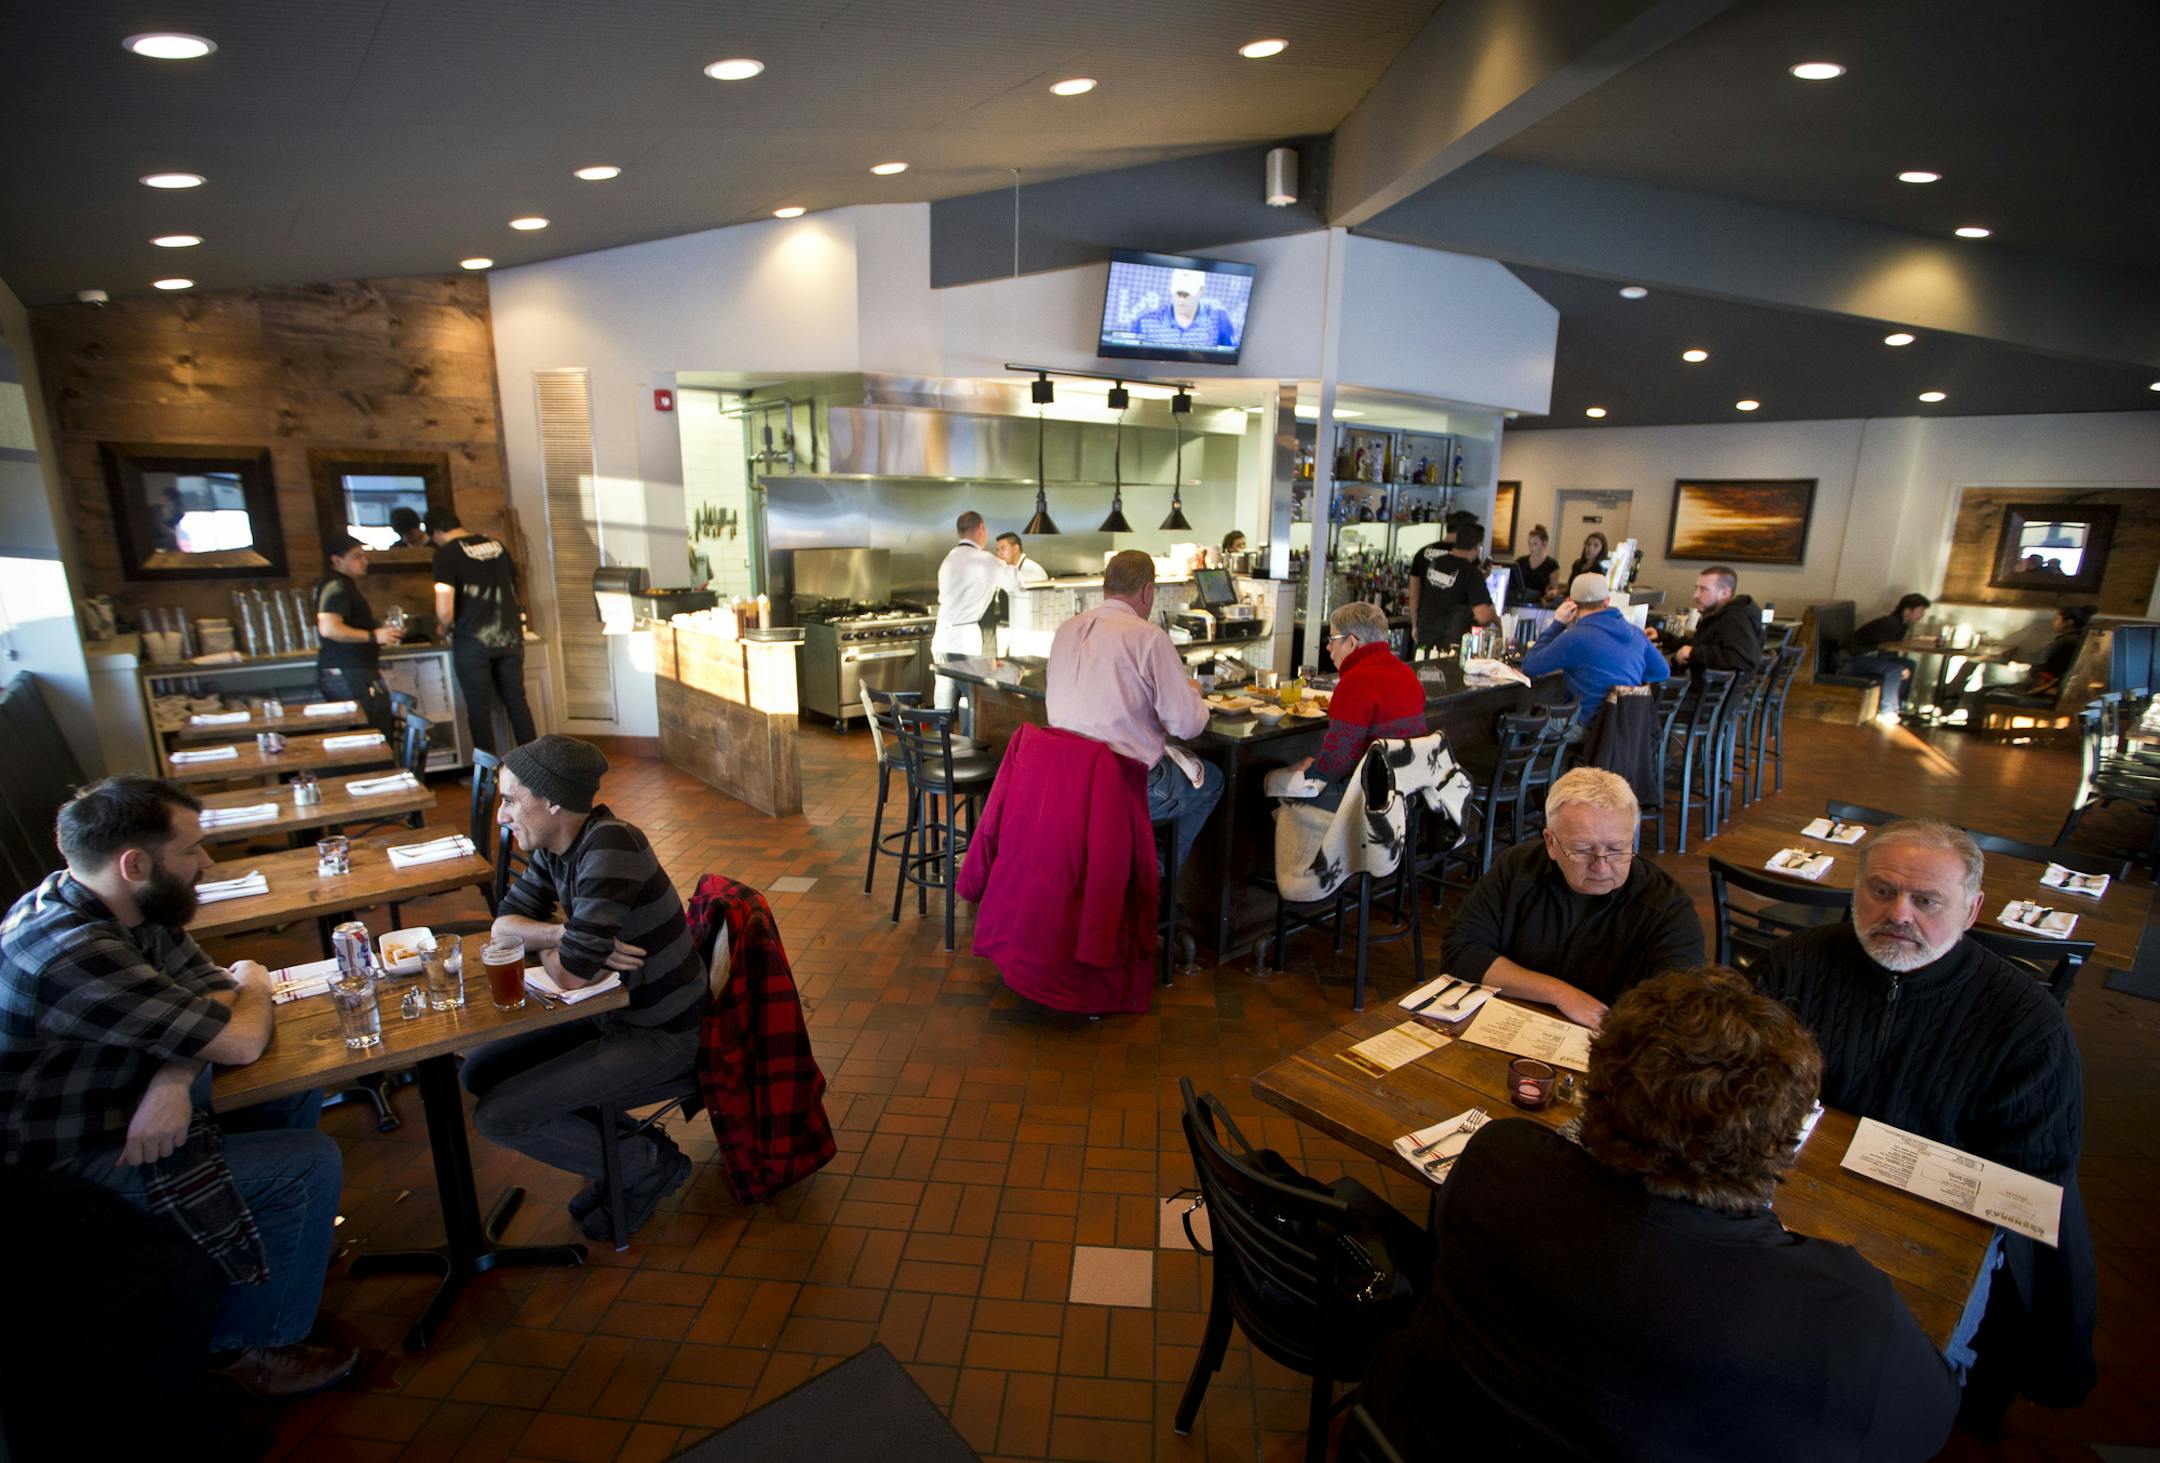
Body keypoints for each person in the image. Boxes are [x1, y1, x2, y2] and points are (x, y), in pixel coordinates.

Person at [1363, 968, 1960, 1463]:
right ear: (1782, 1138)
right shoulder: (1844, 1309)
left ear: (1599, 1088)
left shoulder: (1502, 1157)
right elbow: (1924, 1425)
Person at [0, 776, 355, 1398]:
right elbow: (238, 1022)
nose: (207, 862)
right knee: (309, 1164)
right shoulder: (71, 951)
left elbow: (212, 988)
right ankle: (246, 1348)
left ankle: (264, 1247)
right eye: (191, 849)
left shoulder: (118, 903)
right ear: (135, 863)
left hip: (123, 1099)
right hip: (56, 1169)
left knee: (289, 1088)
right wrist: (255, 985)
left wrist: (174, 1071)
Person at [1750, 820, 2096, 1414]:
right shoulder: (1793, 963)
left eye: (1927, 901)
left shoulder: (2027, 1023)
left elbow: (2032, 1180)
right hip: (1792, 1199)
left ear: (1972, 909)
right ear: (1855, 889)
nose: (1899, 915)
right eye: (1881, 891)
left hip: (1935, 1229)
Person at [461, 736, 709, 1241]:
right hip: (613, 1016)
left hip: (663, 1035)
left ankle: (644, 1162)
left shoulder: (612, 845)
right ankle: (623, 1150)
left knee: (500, 1118)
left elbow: (572, 975)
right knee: (480, 1070)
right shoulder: (556, 846)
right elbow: (503, 928)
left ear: (552, 801)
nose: (501, 816)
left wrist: (567, 953)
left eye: (510, 799)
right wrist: (560, 935)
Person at [1439, 769, 1702, 1028]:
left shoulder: (1667, 907)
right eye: (1582, 849)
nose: (1601, 866)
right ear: (1550, 843)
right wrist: (1559, 993)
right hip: (1509, 1022)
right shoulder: (1519, 867)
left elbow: (1678, 1011)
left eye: (1617, 849)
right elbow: (1460, 951)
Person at [1045, 549, 1221, 870]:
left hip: (1068, 782)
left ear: (1105, 588)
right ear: (1148, 591)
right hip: (1123, 787)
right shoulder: (1149, 637)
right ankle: (1155, 881)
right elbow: (1187, 726)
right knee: (1212, 780)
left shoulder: (1065, 629)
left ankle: (1133, 874)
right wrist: (1194, 695)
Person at [1284, 602, 1426, 812]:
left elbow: (1338, 762)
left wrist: (1309, 772)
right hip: (1407, 791)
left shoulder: (1355, 683)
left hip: (1368, 797)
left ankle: (1317, 844)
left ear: (1351, 643)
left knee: (1276, 785)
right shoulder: (1408, 675)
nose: (1328, 647)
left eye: (1332, 640)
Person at [430, 510, 537, 757]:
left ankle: (487, 776)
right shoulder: (496, 545)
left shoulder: (445, 554)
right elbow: (513, 585)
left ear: (436, 533)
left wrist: (441, 627)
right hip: (509, 635)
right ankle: (534, 766)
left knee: (478, 709)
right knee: (517, 704)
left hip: (473, 640)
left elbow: (444, 610)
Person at [1521, 572, 1670, 726]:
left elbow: (1530, 666)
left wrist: (1558, 623)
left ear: (1570, 603)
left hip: (1589, 729)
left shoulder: (1575, 638)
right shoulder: (1636, 633)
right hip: (1628, 730)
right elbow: (1662, 671)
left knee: (1511, 726)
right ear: (1606, 602)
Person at [931, 511, 1020, 725]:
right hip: (964, 644)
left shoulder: (949, 559)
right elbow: (1016, 582)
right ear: (981, 528)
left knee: (943, 705)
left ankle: (941, 750)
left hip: (941, 640)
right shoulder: (983, 560)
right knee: (974, 703)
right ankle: (971, 751)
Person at [312, 533, 402, 742]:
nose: (364, 561)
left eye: (363, 556)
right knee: (371, 735)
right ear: (337, 560)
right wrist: (373, 635)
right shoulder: (336, 586)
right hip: (349, 671)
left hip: (351, 668)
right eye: (356, 556)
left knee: (372, 729)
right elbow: (328, 628)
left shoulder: (340, 584)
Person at [1405, 523, 1498, 657]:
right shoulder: (1471, 573)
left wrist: (1415, 624)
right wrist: (1496, 619)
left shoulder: (1435, 563)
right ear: (1478, 547)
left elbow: (1418, 594)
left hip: (1425, 639)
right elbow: (1482, 616)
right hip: (1450, 647)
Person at [1652, 565, 1764, 674]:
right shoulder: (1724, 615)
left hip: (1701, 690)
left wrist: (1693, 653)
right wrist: (1662, 637)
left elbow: (1742, 658)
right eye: (1696, 588)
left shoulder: (1735, 618)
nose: (1695, 595)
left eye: (1703, 589)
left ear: (1725, 593)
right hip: (1702, 688)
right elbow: (1701, 643)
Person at [1843, 592, 1931, 718]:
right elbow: (1883, 651)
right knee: (1895, 669)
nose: (1922, 615)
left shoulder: (1901, 624)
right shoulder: (1891, 624)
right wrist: (1899, 667)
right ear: (1907, 611)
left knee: (1909, 664)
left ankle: (1900, 704)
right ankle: (1888, 711)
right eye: (1920, 611)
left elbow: (1886, 650)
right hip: (1852, 660)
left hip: (1867, 657)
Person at [1128, 268, 1234, 349]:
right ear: (1171, 289)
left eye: (1187, 294)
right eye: (1178, 293)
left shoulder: (1220, 320)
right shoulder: (1145, 322)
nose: (1182, 299)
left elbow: (1230, 359)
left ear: (1201, 291)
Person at [2019, 604, 2095, 698]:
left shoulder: (2066, 641)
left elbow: (2037, 658)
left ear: (2069, 622)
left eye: (2056, 619)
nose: (2053, 622)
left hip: (2047, 686)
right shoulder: (2078, 637)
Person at [1514, 523, 1561, 605]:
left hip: (1539, 604)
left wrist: (1551, 593)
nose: (1531, 547)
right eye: (1529, 543)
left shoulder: (1551, 564)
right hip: (1520, 602)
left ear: (1544, 544)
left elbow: (1554, 589)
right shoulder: (1520, 561)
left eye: (1535, 544)